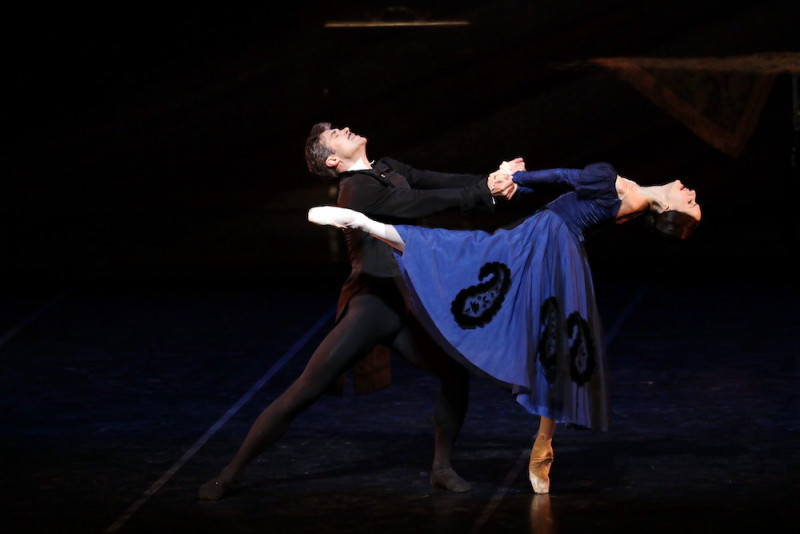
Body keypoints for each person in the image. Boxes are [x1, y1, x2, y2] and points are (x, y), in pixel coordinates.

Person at [308, 162, 701, 494]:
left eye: (690, 203)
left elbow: (563, 177)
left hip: (546, 241)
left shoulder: (619, 188)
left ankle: (363, 223)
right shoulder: (630, 197)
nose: (692, 192)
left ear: (667, 207)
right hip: (561, 252)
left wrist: (510, 178)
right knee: (556, 345)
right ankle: (542, 447)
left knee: (466, 255)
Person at [197, 122, 524, 500]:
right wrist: (486, 190)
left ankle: (441, 469)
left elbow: (438, 181)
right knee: (304, 390)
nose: (346, 128)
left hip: (411, 299)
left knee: (454, 375)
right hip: (374, 303)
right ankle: (230, 474)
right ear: (333, 159)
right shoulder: (356, 191)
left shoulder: (387, 167)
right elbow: (425, 203)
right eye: (335, 133)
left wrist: (497, 178)